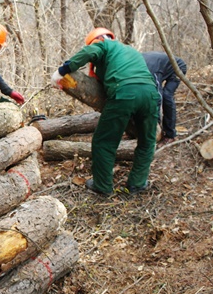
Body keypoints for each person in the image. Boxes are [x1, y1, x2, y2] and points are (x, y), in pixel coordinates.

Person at [51, 28, 159, 195]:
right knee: (147, 141)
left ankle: (102, 186)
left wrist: (63, 71)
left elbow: (90, 51)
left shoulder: (103, 46)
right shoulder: (130, 51)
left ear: (99, 39)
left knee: (104, 142)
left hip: (124, 93)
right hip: (150, 94)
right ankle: (137, 184)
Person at [141, 51, 187, 145]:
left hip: (177, 66)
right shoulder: (132, 64)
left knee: (167, 96)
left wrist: (155, 124)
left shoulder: (151, 71)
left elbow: (157, 97)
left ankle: (171, 134)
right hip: (160, 66)